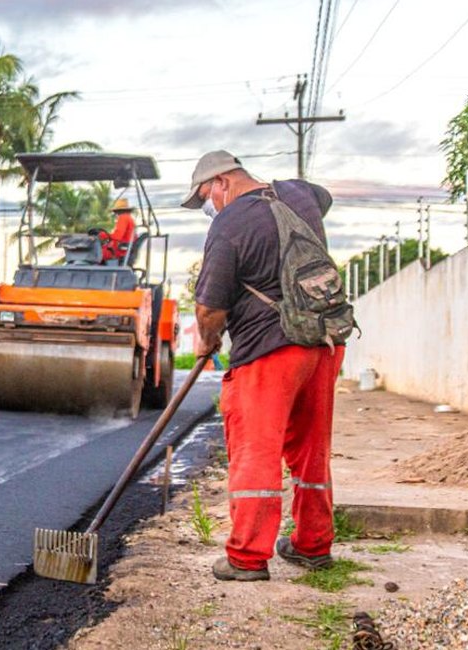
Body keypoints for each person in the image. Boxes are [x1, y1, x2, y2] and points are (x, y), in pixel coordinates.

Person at [182, 150, 343, 582]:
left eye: (205, 198)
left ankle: (247, 558)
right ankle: (313, 545)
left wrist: (209, 343)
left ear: (222, 182)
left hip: (270, 351)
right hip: (324, 341)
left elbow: (209, 307)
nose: (208, 207)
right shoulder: (299, 192)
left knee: (256, 449)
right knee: (312, 449)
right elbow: (322, 199)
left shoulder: (228, 224)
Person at [95, 198, 137, 263]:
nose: (116, 214)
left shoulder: (123, 217)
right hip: (125, 249)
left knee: (94, 252)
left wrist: (103, 235)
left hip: (120, 251)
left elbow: (117, 236)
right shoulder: (129, 218)